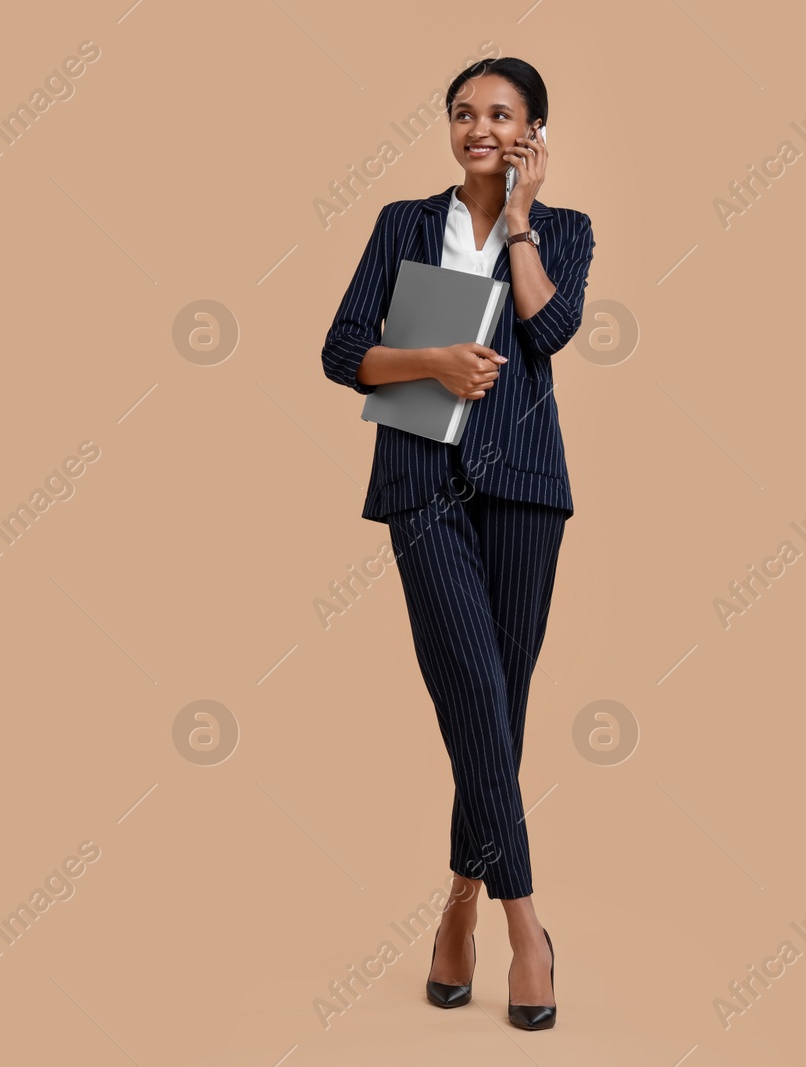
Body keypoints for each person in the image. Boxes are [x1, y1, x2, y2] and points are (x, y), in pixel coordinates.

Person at [320, 56, 596, 1031]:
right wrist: (429, 359)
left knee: (500, 714)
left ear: (534, 131)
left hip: (523, 488)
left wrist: (521, 218)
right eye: (463, 112)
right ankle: (527, 929)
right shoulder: (403, 222)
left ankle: (454, 912)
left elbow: (551, 325)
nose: (478, 127)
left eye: (501, 114)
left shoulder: (561, 229)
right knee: (470, 691)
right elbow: (340, 348)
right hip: (419, 481)